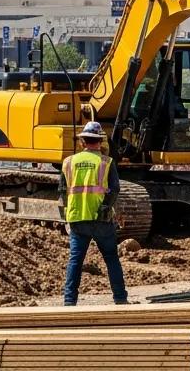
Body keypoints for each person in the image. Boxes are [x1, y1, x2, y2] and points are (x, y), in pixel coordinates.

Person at [60, 121, 128, 306]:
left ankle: (69, 302)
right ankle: (120, 299)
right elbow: (114, 190)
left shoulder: (68, 162)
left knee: (75, 261)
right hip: (101, 219)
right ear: (100, 142)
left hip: (77, 218)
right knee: (111, 258)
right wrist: (105, 208)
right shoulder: (106, 162)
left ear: (82, 142)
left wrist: (69, 210)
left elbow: (62, 191)